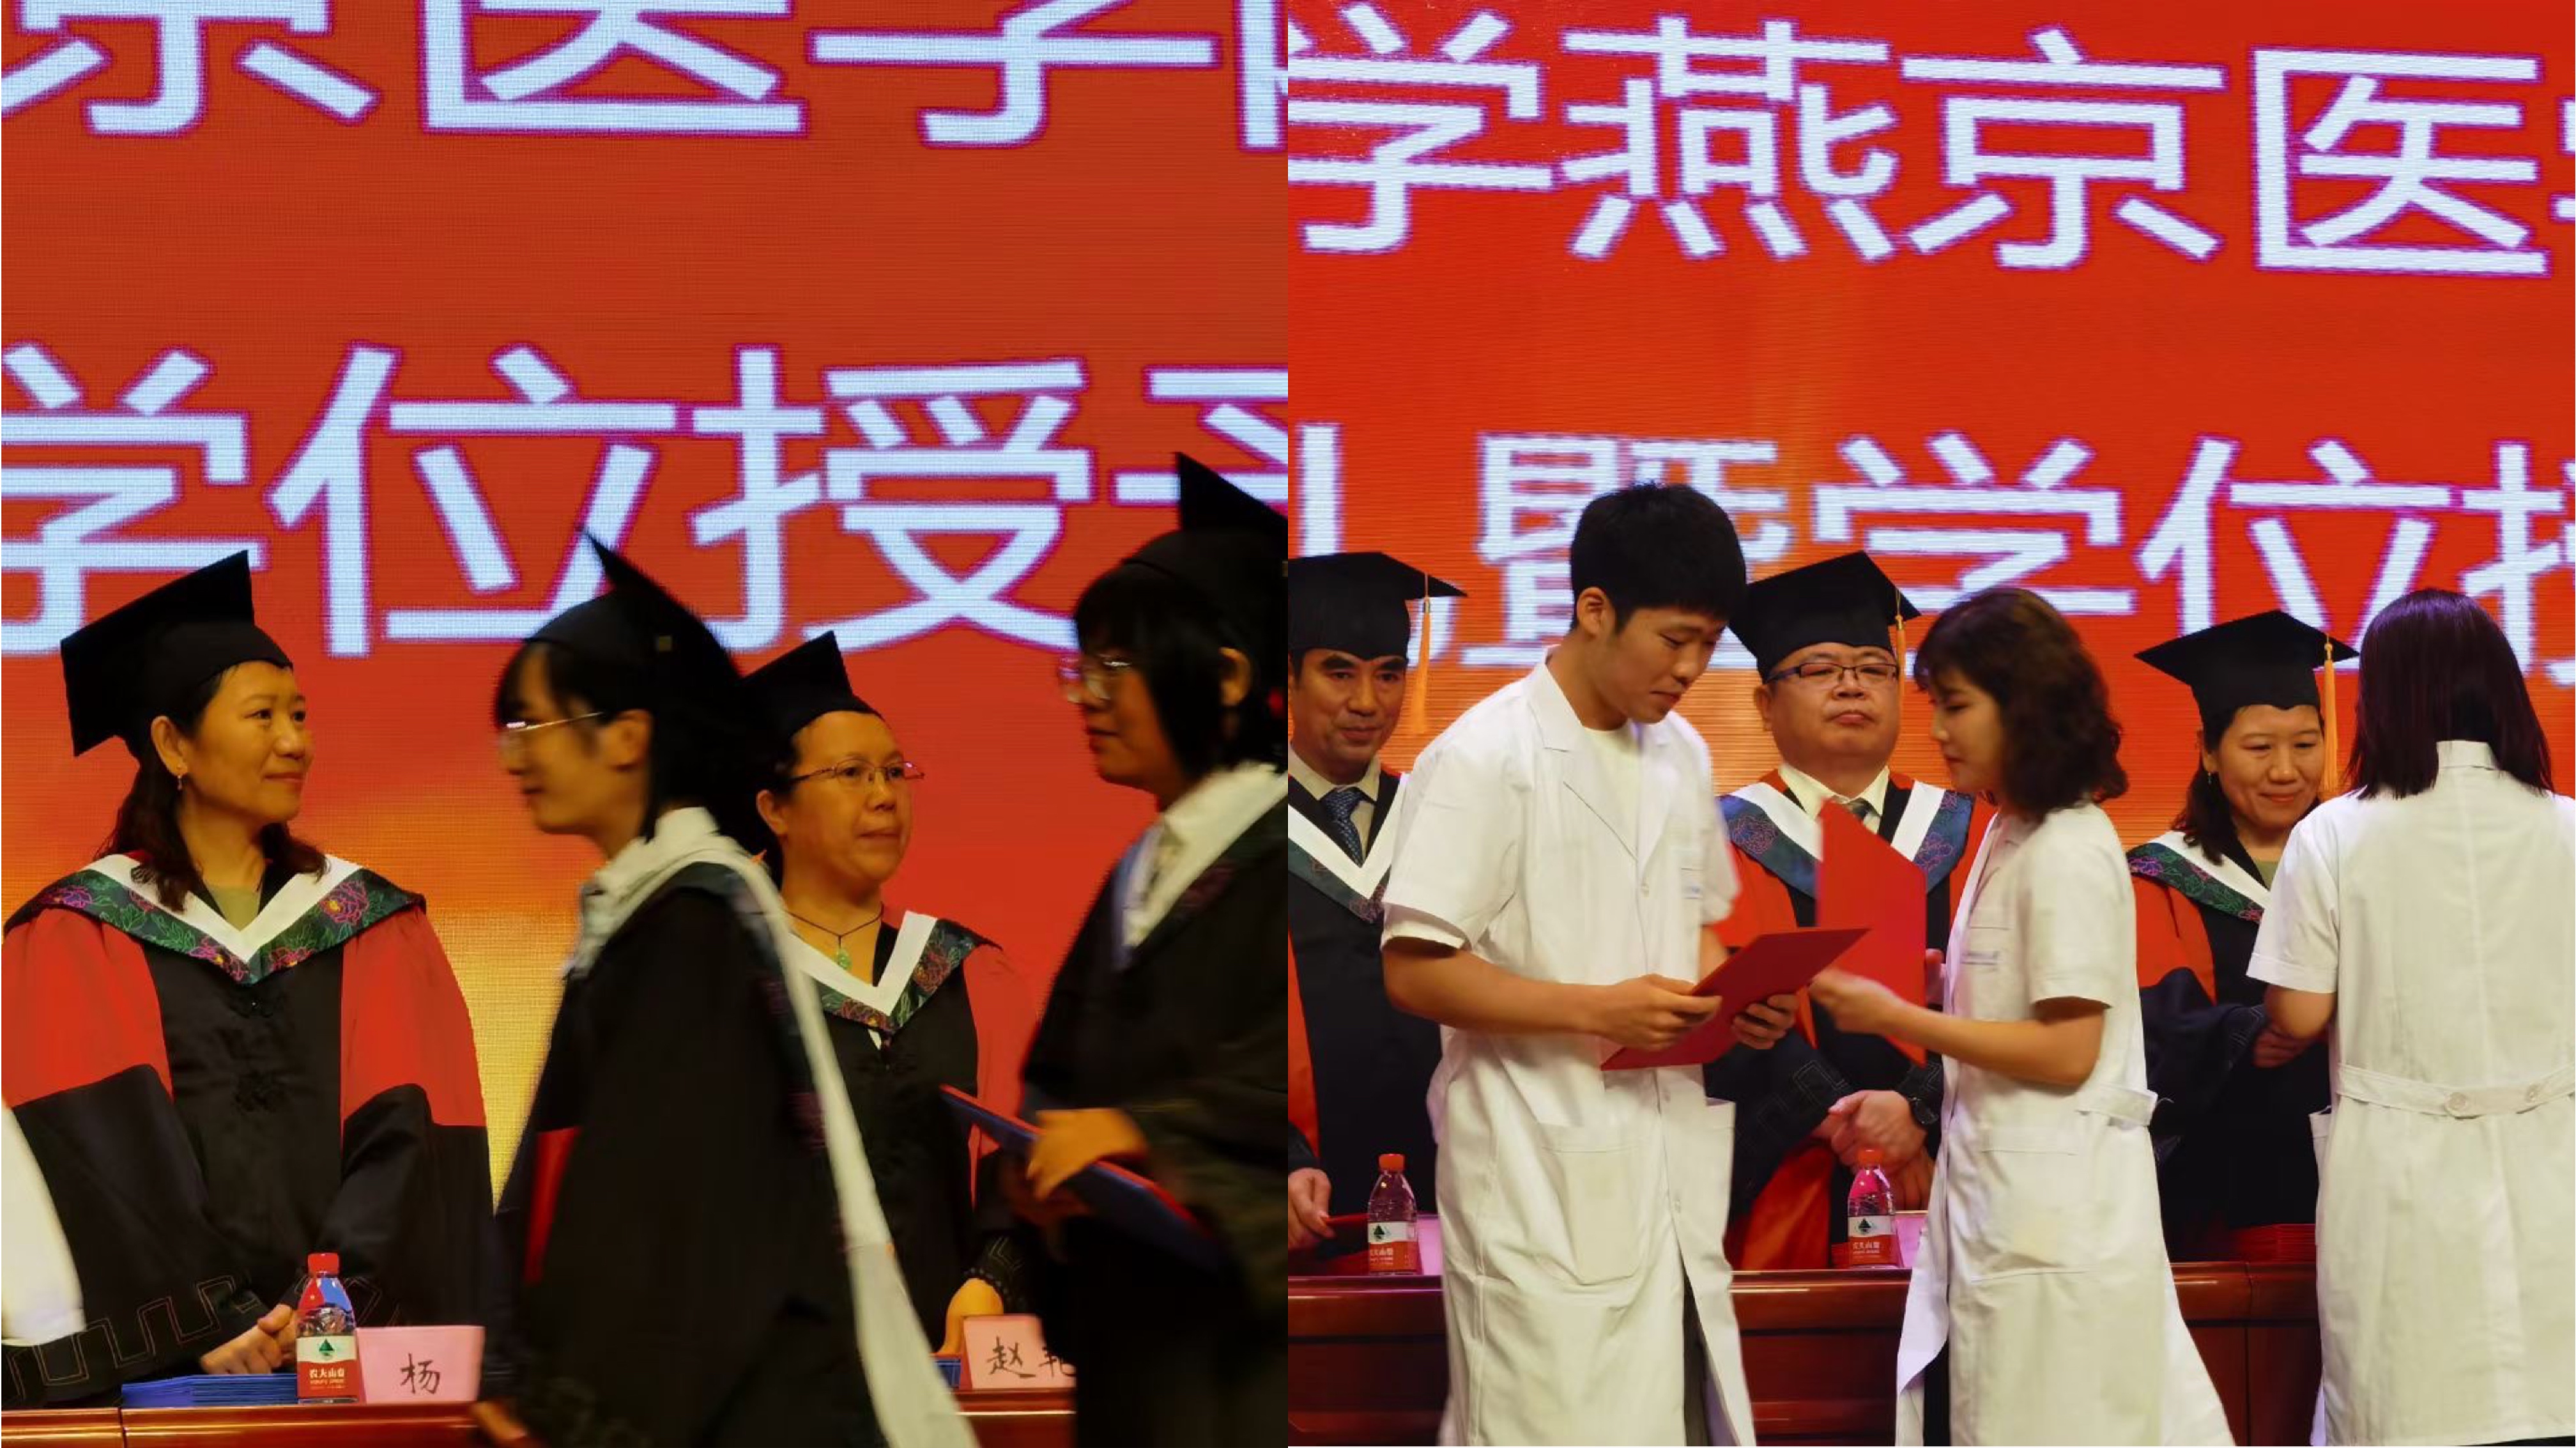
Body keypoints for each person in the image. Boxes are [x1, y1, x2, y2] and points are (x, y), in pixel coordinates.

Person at [486, 541, 965, 1448]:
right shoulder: (659, 912)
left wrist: (575, 1414)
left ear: (627, 736)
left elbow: (677, 1220)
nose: (516, 757)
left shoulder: (692, 927)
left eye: (534, 725)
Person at [1, 554, 491, 1406]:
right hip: (168, 1388)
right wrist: (204, 1315)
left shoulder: (371, 922)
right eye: (262, 715)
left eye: (299, 715)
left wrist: (329, 1304)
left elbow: (413, 1137)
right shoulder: (76, 929)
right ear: (173, 744)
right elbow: (94, 1153)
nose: (295, 741)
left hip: (347, 1371)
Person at [1379, 484, 1758, 1446]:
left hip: (1664, 1172)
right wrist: (1597, 1009)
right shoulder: (1484, 756)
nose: (1690, 668)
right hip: (1536, 1180)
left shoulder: (1682, 753)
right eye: (1674, 639)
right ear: (1595, 609)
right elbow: (1415, 970)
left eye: (1711, 643)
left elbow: (1697, 929)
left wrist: (1737, 998)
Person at [1809, 587, 2228, 1445]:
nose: (1938, 731)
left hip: (2057, 1223)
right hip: (2010, 1211)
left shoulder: (2069, 845)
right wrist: (1945, 985)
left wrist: (1901, 1015)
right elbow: (2027, 995)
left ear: (2024, 705)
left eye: (1958, 706)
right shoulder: (2012, 830)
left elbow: (2069, 1049)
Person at [2250, 589, 2572, 1448]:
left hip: (2403, 1182)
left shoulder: (2334, 833)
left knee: (2411, 1406)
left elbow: (2299, 1010)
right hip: (2557, 1167)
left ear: (2383, 702)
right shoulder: (2569, 829)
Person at [1018, 455, 1287, 1447]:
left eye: (1115, 668)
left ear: (1228, 675)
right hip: (1136, 1329)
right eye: (1080, 669)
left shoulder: (1283, 848)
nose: (1087, 696)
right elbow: (1060, 1067)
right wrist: (1042, 1163)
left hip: (1236, 1348)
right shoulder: (1147, 865)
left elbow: (1290, 1074)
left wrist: (1137, 1132)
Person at [744, 631, 1039, 1353]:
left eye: (894, 772)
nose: (883, 796)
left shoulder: (968, 972)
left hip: (956, 1367)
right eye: (851, 773)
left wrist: (990, 1283)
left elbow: (1026, 1166)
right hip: (787, 1367)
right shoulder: (732, 981)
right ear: (775, 810)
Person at [1706, 551, 1988, 1270]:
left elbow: (2007, 995)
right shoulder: (1717, 835)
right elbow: (1726, 1004)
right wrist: (1845, 1121)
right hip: (1787, 1175)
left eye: (1874, 668)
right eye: (1820, 668)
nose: (1852, 684)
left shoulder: (1977, 830)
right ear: (1764, 705)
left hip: (1959, 1168)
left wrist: (1917, 1110)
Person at [2128, 611, 2350, 1261]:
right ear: (2209, 751)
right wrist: (2248, 1031)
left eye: (2305, 744)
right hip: (2224, 1181)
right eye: (2259, 748)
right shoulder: (2158, 876)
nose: (2285, 770)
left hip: (2367, 1170)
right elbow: (2150, 1021)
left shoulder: (2362, 861)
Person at [1282, 550, 1462, 1226]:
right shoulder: (1239, 836)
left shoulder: (1442, 817)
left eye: (1389, 674)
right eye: (1339, 673)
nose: (1367, 702)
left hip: (1452, 1191)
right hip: (1303, 1196)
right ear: (1288, 678)